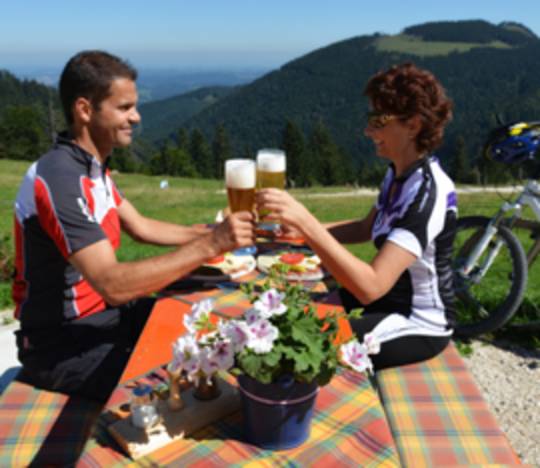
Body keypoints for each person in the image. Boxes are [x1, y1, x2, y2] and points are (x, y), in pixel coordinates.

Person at [12, 50, 255, 402]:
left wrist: (214, 234)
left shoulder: (91, 168)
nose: (136, 117)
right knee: (193, 382)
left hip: (107, 320)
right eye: (125, 108)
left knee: (215, 332)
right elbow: (111, 283)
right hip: (62, 346)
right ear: (84, 110)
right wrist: (211, 244)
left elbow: (140, 226)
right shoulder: (59, 177)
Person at [257, 63, 456, 370]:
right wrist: (295, 232)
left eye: (378, 120)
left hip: (417, 322)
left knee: (293, 345)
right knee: (284, 312)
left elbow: (371, 285)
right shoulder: (399, 174)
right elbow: (366, 228)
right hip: (384, 304)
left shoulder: (426, 194)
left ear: (413, 125)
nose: (368, 130)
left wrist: (307, 223)